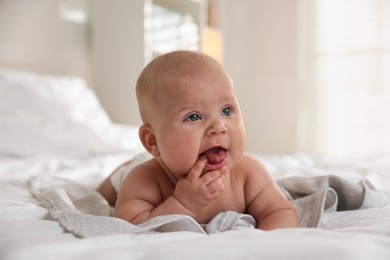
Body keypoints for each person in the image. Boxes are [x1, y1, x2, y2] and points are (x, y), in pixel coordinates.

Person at [97, 50, 299, 230]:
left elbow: (280, 212)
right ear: (153, 141)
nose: (218, 127)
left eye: (226, 111)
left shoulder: (248, 174)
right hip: (140, 166)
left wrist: (263, 245)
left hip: (167, 156)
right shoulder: (144, 180)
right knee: (104, 191)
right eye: (193, 116)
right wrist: (183, 204)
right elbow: (130, 228)